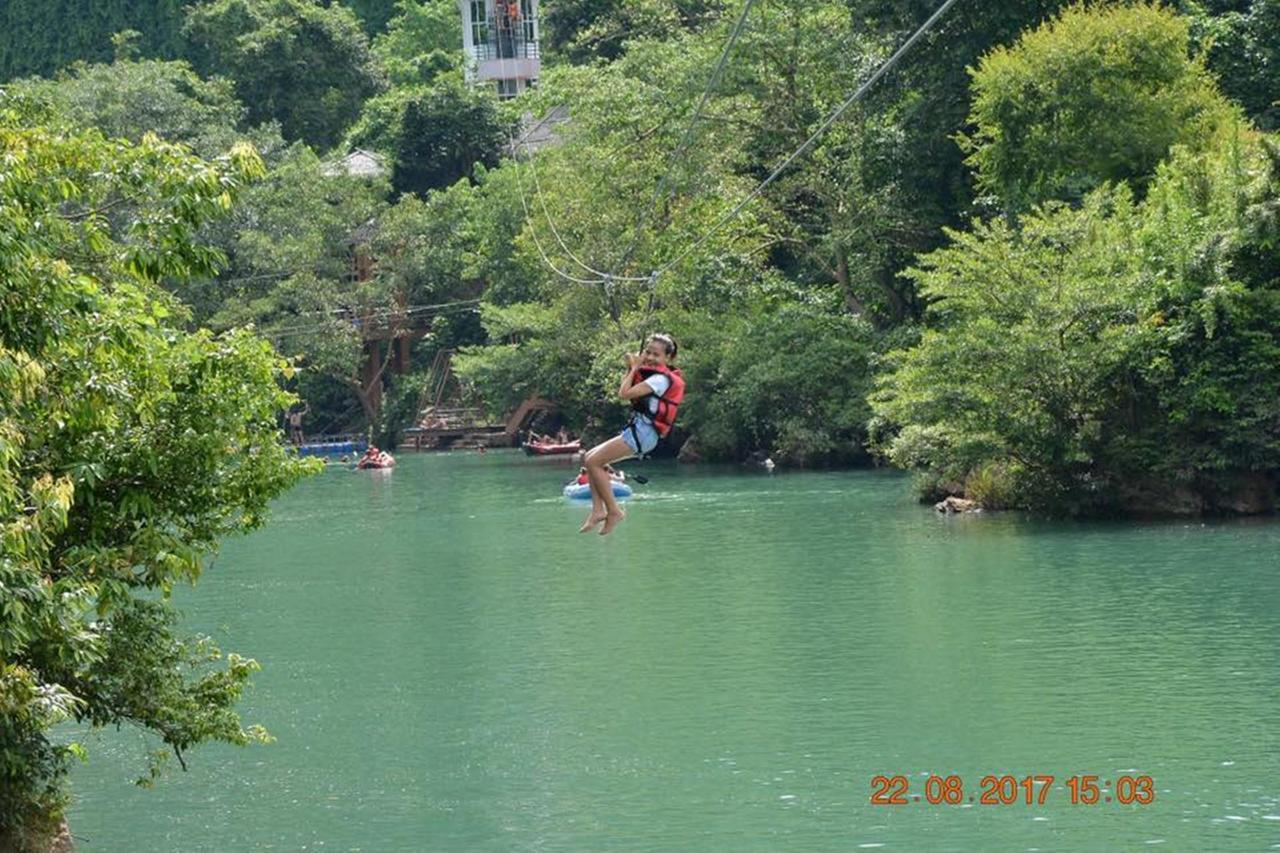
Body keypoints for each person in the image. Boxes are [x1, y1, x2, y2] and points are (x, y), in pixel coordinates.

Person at [579, 333, 684, 535]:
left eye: (657, 355)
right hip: (638, 430)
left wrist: (635, 367)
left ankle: (614, 511)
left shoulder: (661, 380)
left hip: (644, 434)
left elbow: (624, 394)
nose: (651, 357)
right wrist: (631, 368)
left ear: (668, 359)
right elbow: (628, 386)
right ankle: (598, 510)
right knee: (588, 457)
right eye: (648, 352)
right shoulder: (650, 376)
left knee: (593, 463)